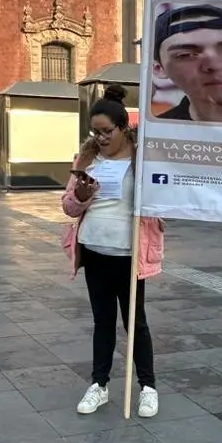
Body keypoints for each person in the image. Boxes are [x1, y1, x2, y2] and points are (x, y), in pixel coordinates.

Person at [61, 85, 164, 417]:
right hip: (94, 249)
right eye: (96, 132)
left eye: (107, 131)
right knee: (102, 320)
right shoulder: (86, 159)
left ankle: (147, 387)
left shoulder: (142, 159)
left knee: (136, 322)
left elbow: (162, 201)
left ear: (123, 128)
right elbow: (68, 208)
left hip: (129, 252)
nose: (101, 138)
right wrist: (80, 194)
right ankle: (99, 384)